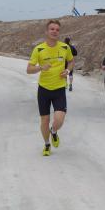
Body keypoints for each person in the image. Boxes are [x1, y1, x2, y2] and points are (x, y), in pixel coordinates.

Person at [27, 20, 74, 156]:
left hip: (59, 89)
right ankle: (47, 144)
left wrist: (67, 70)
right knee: (45, 120)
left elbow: (71, 61)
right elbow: (29, 69)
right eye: (52, 29)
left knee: (59, 119)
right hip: (44, 89)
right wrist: (40, 67)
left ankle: (53, 131)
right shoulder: (39, 49)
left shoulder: (65, 47)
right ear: (47, 31)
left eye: (57, 29)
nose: (55, 31)